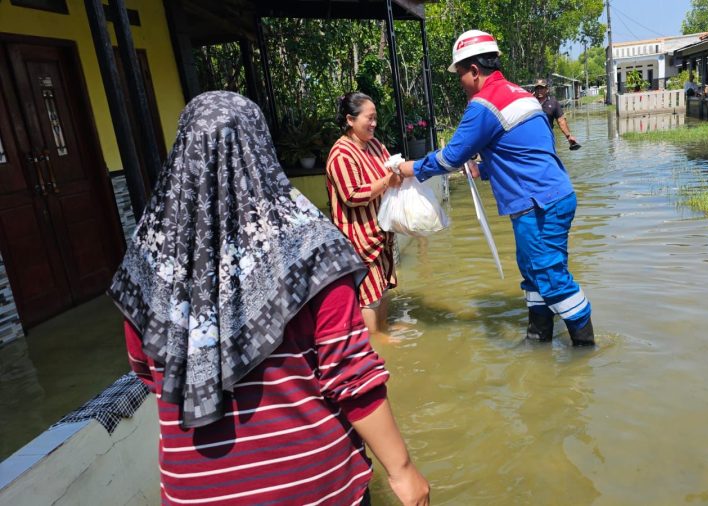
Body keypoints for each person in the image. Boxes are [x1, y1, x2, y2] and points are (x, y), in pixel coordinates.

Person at [109, 91, 429, 506]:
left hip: (192, 489)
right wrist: (401, 470)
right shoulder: (310, 249)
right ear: (261, 150)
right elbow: (350, 374)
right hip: (311, 485)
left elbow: (146, 370)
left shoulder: (149, 264)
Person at [393, 30, 595, 346]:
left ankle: (585, 352)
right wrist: (484, 169)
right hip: (553, 197)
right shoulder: (522, 95)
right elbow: (527, 151)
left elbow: (449, 158)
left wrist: (408, 169)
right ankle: (537, 339)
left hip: (537, 205)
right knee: (534, 272)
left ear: (474, 70)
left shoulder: (484, 104)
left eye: (460, 74)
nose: (461, 82)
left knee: (552, 279)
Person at [326, 92, 403, 340]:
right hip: (358, 236)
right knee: (369, 292)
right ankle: (376, 338)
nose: (374, 124)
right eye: (369, 118)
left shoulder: (374, 145)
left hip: (380, 230)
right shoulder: (341, 154)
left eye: (375, 118)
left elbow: (390, 167)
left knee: (383, 284)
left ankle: (384, 327)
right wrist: (387, 181)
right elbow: (352, 195)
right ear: (350, 120)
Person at [532, 78, 579, 148]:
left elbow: (561, 121)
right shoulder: (529, 102)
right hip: (531, 138)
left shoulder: (553, 102)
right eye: (537, 88)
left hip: (547, 137)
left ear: (547, 89)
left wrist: (569, 136)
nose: (539, 90)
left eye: (541, 88)